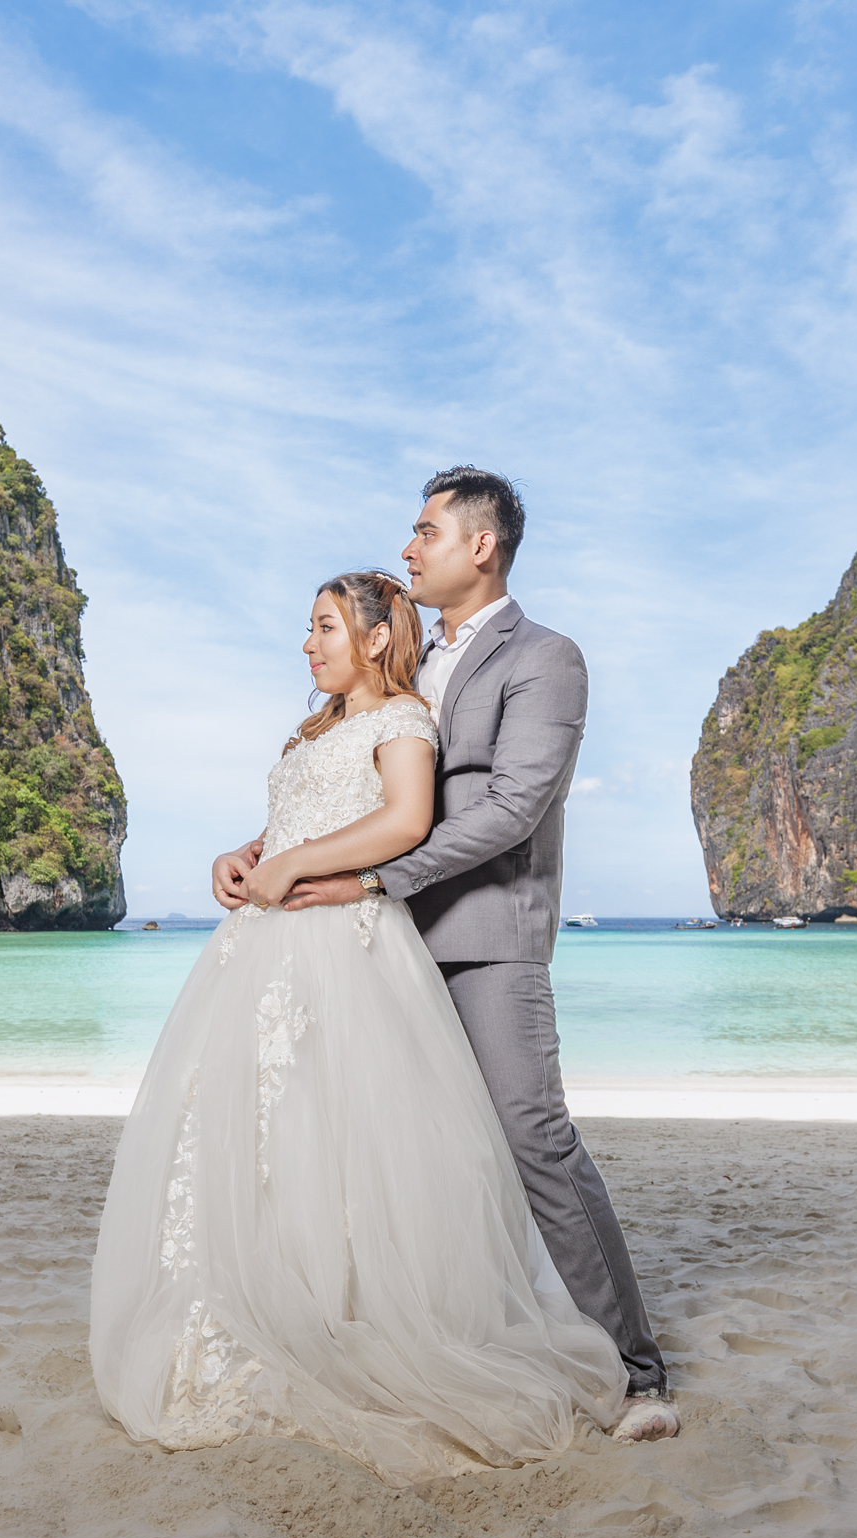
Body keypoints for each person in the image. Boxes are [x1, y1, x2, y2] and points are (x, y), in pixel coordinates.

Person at [89, 569, 627, 1486]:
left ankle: (360, 1324)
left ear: (377, 638)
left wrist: (298, 861)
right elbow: (292, 822)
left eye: (326, 627)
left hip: (343, 944)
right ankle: (269, 1309)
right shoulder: (315, 728)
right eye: (309, 629)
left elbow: (406, 822)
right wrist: (244, 855)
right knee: (254, 1134)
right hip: (260, 949)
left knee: (342, 1134)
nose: (310, 644)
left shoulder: (404, 719)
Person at [217, 467, 677, 1445]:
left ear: (482, 544)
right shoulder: (405, 665)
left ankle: (637, 1374)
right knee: (399, 1157)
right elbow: (353, 790)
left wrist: (374, 880)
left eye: (426, 530)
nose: (408, 547)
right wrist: (259, 852)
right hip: (375, 953)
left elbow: (512, 809)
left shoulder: (546, 658)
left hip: (483, 941)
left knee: (534, 1140)